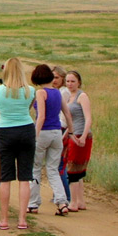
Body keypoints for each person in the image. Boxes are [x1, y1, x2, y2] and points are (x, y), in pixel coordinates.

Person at [0, 57, 35, 230]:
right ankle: (22, 219)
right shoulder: (30, 90)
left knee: (5, 177)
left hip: (6, 131)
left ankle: (4, 219)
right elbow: (28, 108)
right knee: (25, 176)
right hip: (26, 129)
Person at [28, 64, 74, 216]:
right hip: (56, 133)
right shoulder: (57, 92)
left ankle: (33, 203)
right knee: (53, 170)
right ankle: (62, 202)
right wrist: (71, 132)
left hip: (44, 132)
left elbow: (41, 116)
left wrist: (35, 134)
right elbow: (67, 113)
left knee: (35, 169)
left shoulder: (41, 92)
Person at [64, 70, 92, 211]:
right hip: (72, 135)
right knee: (76, 169)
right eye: (68, 81)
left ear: (79, 82)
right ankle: (80, 201)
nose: (70, 84)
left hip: (81, 135)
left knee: (74, 169)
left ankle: (73, 202)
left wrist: (83, 136)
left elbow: (88, 119)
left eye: (72, 81)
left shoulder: (82, 96)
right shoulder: (67, 96)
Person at [51, 65, 72, 202]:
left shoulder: (63, 92)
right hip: (59, 128)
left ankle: (65, 196)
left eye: (57, 77)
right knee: (56, 165)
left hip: (61, 128)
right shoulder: (58, 91)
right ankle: (59, 195)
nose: (54, 80)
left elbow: (64, 116)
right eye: (52, 77)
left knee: (59, 165)